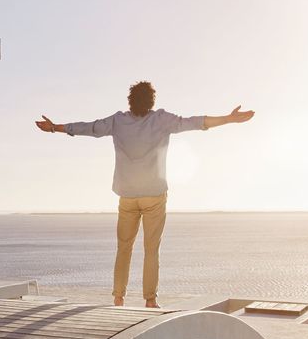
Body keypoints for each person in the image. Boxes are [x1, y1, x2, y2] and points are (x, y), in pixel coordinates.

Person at [35, 81, 254, 307]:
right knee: (151, 249)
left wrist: (54, 128)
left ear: (130, 100)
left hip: (127, 195)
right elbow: (196, 122)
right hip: (154, 195)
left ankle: (118, 297)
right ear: (151, 101)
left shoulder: (118, 121)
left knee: (124, 248)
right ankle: (150, 300)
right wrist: (228, 119)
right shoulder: (161, 119)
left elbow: (88, 128)